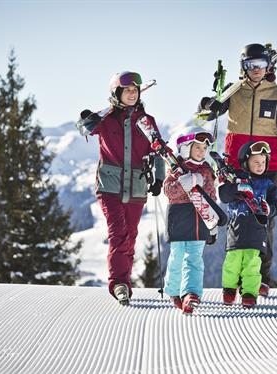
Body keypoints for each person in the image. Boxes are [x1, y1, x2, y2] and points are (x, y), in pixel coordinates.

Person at [199, 43, 277, 295]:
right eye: (251, 65)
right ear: (243, 67)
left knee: (264, 219)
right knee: (238, 217)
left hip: (268, 163)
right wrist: (210, 102)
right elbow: (206, 115)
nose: (256, 70)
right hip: (235, 163)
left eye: (261, 65)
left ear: (269, 67)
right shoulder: (234, 91)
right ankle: (236, 277)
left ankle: (260, 278)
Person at [76, 71, 165, 305]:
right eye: (127, 90)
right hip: (110, 185)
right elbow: (84, 128)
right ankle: (118, 284)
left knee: (131, 236)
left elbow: (158, 150)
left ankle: (124, 282)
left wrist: (159, 178)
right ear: (117, 93)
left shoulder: (146, 121)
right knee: (119, 233)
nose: (132, 94)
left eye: (135, 90)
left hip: (136, 186)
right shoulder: (105, 119)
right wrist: (87, 119)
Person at [218, 141, 277, 307]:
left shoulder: (268, 185)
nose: (260, 166)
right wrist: (236, 189)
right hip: (236, 229)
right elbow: (223, 195)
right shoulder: (236, 179)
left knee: (252, 264)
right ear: (246, 162)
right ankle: (229, 290)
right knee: (233, 261)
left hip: (257, 230)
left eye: (263, 162)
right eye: (256, 162)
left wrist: (269, 209)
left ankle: (249, 293)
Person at [162, 127, 217, 314]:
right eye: (197, 148)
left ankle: (191, 293)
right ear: (186, 148)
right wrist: (184, 183)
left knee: (194, 258)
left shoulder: (207, 170)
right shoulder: (176, 168)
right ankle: (174, 291)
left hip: (200, 219)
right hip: (179, 217)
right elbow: (168, 191)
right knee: (177, 256)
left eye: (204, 149)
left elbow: (212, 197)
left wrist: (213, 223)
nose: (202, 152)